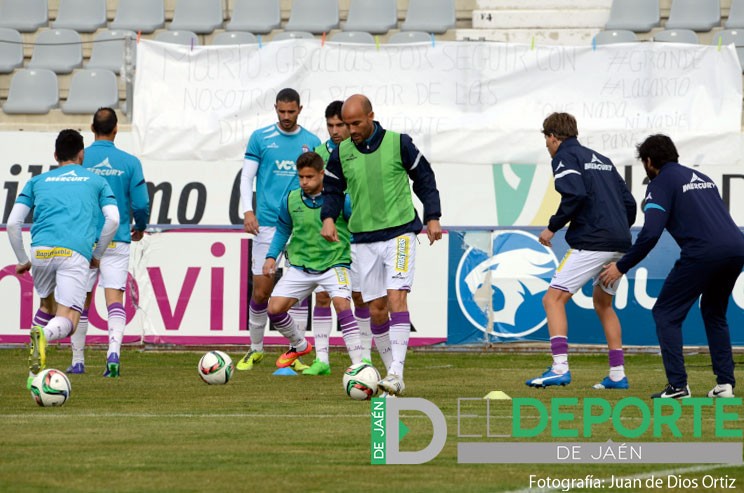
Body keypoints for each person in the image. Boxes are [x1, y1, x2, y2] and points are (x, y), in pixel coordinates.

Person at [600, 134, 744, 399]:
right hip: (736, 248)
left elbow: (651, 233)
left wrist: (621, 266)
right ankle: (725, 385)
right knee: (714, 312)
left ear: (649, 161)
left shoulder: (661, 182)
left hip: (704, 252)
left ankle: (678, 386)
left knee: (666, 313)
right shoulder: (702, 179)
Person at [321, 94, 443, 396]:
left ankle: (397, 373)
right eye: (347, 124)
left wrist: (433, 216)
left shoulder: (398, 143)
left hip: (400, 232)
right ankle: (391, 375)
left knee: (396, 299)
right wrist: (328, 218)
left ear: (371, 116)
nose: (351, 129)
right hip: (363, 238)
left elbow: (424, 178)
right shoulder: (341, 152)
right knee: (375, 309)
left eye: (356, 123)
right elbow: (333, 188)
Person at [526, 112, 636, 390]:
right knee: (603, 304)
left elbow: (575, 194)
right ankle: (617, 374)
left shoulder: (564, 156)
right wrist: (618, 229)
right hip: (620, 242)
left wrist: (552, 227)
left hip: (593, 241)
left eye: (547, 140)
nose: (548, 146)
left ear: (553, 136)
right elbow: (630, 203)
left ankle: (559, 368)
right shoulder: (602, 160)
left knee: (553, 300)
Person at [6, 129, 119, 387]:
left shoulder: (37, 181)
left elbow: (13, 223)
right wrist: (97, 254)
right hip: (73, 252)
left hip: (41, 251)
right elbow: (113, 219)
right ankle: (43, 336)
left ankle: (35, 375)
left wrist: (23, 259)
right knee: (69, 319)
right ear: (82, 155)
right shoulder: (96, 181)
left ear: (55, 155)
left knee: (46, 306)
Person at [237, 88, 321, 371]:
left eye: (291, 112)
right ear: (275, 108)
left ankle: (294, 352)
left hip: (302, 227)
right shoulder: (261, 138)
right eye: (281, 111)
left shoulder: (312, 142)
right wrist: (248, 211)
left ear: (300, 109)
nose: (286, 117)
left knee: (296, 294)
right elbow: (247, 175)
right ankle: (256, 348)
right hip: (268, 224)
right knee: (261, 291)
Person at [64, 108, 150, 377]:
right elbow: (142, 202)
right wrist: (141, 226)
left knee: (80, 300)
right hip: (118, 238)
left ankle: (78, 360)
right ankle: (113, 353)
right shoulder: (130, 162)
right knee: (114, 298)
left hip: (84, 241)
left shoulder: (79, 158)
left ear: (92, 128)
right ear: (116, 130)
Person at [263, 151, 364, 370]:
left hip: (335, 263)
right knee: (274, 309)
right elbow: (282, 230)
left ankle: (358, 366)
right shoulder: (290, 199)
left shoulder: (340, 199)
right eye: (301, 177)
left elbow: (357, 227)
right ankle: (299, 345)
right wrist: (271, 257)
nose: (304, 182)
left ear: (321, 174)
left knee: (342, 305)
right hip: (301, 266)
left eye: (309, 177)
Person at [303, 100, 372, 376]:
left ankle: (364, 357)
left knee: (360, 296)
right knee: (323, 297)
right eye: (330, 125)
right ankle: (322, 360)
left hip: (360, 233)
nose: (335, 130)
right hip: (330, 237)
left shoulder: (362, 150)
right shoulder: (319, 154)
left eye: (340, 125)